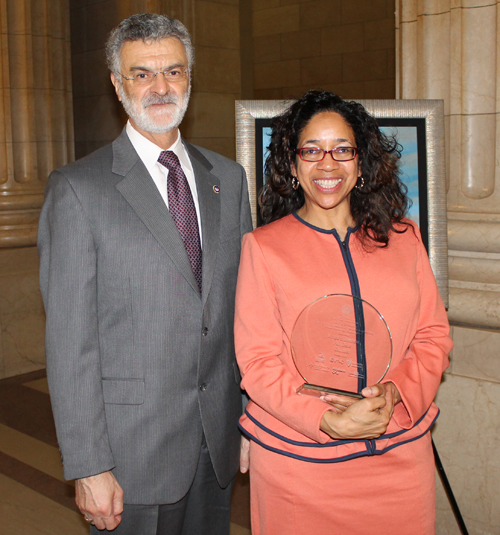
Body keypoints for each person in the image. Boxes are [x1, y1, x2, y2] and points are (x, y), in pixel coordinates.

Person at [38, 13, 252, 535]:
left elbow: (243, 311)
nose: (160, 87)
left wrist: (250, 421)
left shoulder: (228, 177)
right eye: (142, 73)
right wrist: (89, 465)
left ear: (190, 79)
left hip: (216, 445)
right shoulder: (78, 189)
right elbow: (70, 343)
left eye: (173, 71)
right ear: (117, 84)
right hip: (131, 456)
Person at [234, 90, 453, 535]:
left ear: (361, 162)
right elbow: (257, 363)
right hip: (300, 465)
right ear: (292, 166)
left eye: (342, 150)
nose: (327, 164)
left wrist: (394, 393)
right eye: (311, 150)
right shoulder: (263, 248)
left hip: (399, 460)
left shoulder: (404, 237)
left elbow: (433, 337)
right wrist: (326, 420)